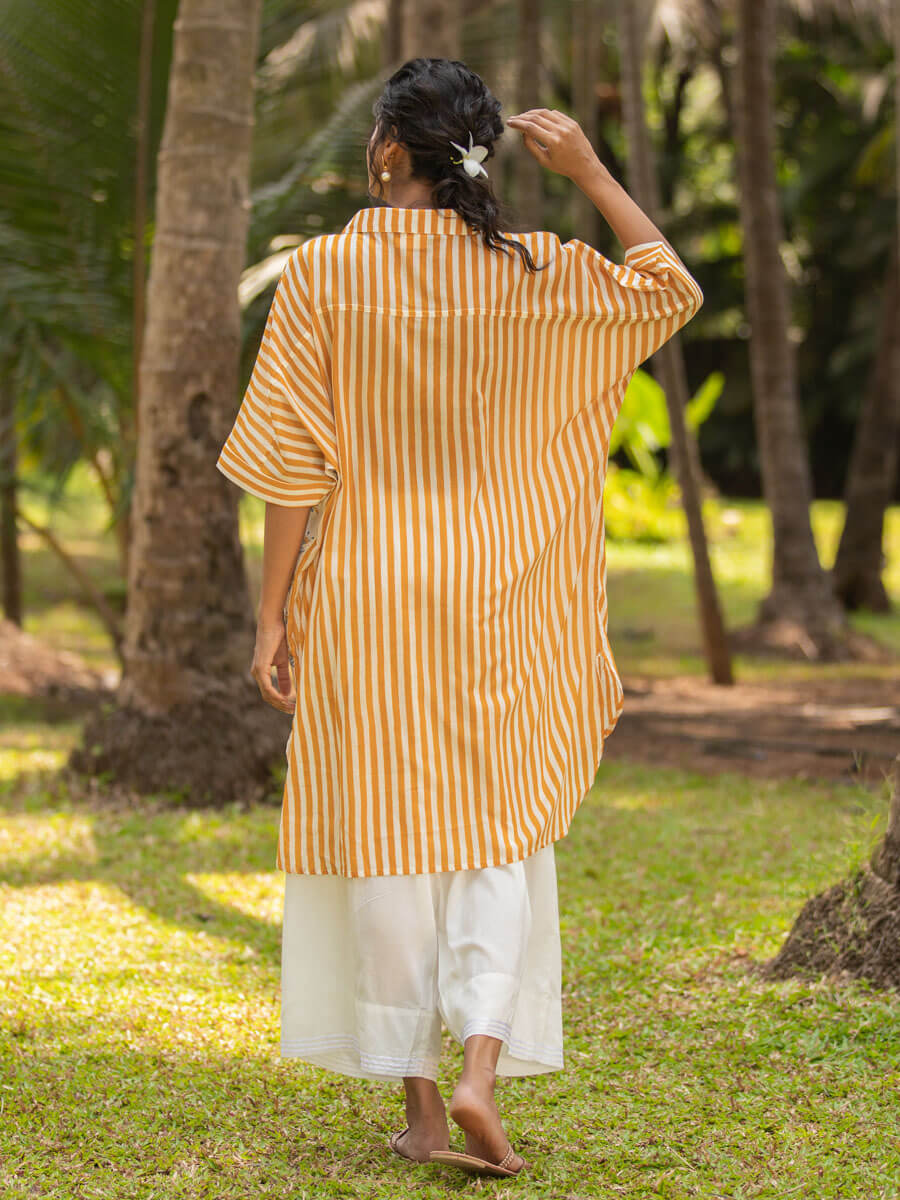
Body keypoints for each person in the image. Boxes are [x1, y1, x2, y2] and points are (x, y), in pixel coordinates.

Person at [215, 57, 703, 1180]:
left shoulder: (325, 272)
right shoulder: (538, 269)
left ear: (388, 148)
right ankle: (483, 1065)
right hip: (501, 592)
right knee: (495, 827)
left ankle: (426, 1110)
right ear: (477, 155)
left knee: (386, 835)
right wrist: (590, 172)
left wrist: (271, 616)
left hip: (369, 592)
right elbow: (669, 289)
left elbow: (292, 465)